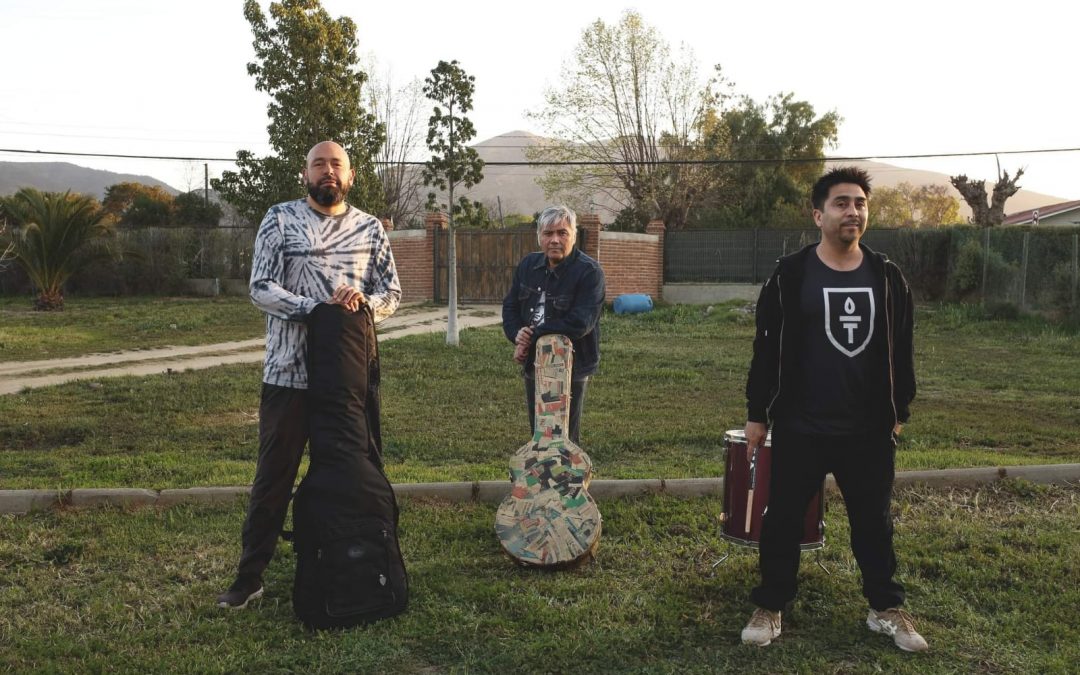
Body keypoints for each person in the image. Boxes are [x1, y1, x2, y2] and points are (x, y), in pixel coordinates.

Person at [740, 167, 927, 652]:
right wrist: (757, 412)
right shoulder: (791, 274)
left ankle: (885, 608)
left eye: (860, 203)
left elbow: (901, 347)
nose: (854, 211)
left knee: (874, 521)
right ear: (818, 214)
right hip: (802, 423)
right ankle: (771, 604)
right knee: (782, 518)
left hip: (866, 428)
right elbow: (766, 347)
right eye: (842, 203)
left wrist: (899, 408)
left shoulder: (886, 277)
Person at [216, 140, 401, 609]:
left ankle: (357, 561)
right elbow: (260, 287)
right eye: (318, 164)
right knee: (274, 476)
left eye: (336, 164)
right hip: (290, 374)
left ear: (351, 175)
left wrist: (359, 310)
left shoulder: (369, 229)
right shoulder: (279, 218)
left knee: (356, 470)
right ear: (305, 174)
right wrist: (318, 311)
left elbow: (391, 292)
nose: (327, 171)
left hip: (349, 379)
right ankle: (250, 576)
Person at [502, 205, 605, 445]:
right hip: (534, 362)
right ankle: (542, 481)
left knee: (565, 437)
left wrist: (532, 336)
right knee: (540, 433)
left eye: (562, 233)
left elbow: (580, 323)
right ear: (539, 236)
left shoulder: (589, 273)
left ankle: (568, 482)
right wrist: (517, 335)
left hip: (571, 365)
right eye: (548, 234)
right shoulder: (528, 265)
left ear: (573, 235)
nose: (555, 240)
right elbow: (510, 307)